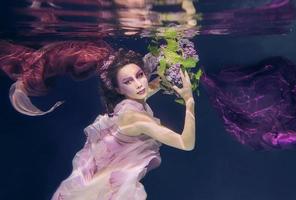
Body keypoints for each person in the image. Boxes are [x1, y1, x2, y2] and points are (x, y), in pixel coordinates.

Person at [50, 49, 196, 200]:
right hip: (103, 188)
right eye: (128, 81)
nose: (138, 84)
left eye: (139, 75)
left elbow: (148, 89)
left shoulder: (127, 102)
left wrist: (169, 71)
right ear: (118, 89)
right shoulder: (136, 119)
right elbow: (186, 143)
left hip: (105, 181)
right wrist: (189, 101)